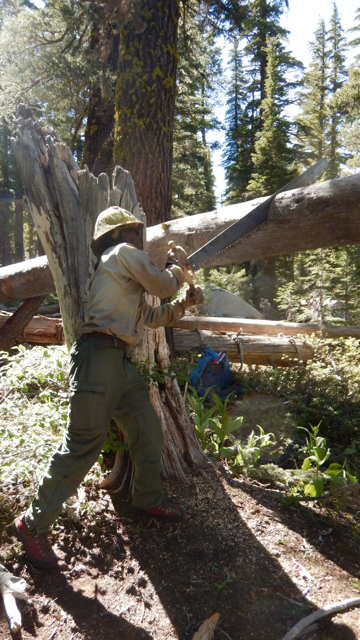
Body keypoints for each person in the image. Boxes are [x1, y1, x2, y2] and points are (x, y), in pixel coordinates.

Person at [14, 206, 204, 570]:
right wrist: (178, 270)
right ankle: (31, 524)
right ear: (121, 235)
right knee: (83, 444)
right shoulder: (121, 254)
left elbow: (151, 317)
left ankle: (147, 496)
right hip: (99, 358)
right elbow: (162, 284)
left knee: (146, 425)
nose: (139, 237)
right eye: (135, 231)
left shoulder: (121, 277)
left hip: (118, 363)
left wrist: (183, 303)